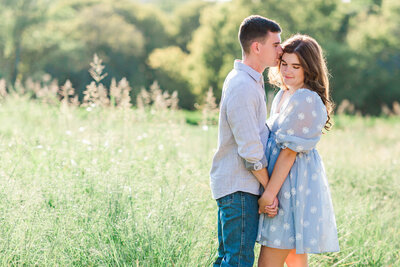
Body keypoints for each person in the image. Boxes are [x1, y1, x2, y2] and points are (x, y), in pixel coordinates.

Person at [257, 34, 340, 267]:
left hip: (290, 188)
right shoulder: (284, 95)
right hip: (283, 184)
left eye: (296, 66)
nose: (287, 71)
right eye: (284, 64)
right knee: (294, 259)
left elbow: (289, 153)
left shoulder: (305, 98)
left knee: (269, 262)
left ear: (309, 69)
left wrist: (268, 194)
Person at [210, 15, 283, 266]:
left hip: (239, 188)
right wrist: (269, 191)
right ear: (257, 47)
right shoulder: (242, 84)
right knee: (238, 261)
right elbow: (250, 150)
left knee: (228, 260)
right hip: (239, 189)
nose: (281, 50)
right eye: (275, 45)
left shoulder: (250, 82)